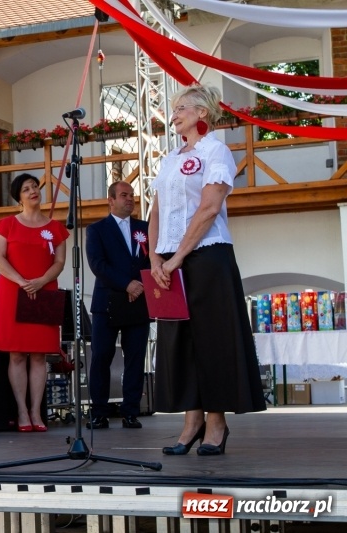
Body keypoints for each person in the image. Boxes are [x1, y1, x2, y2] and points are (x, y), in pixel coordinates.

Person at [148, 84, 266, 456]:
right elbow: (155, 211)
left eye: (182, 107)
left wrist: (179, 255)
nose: (175, 113)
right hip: (167, 261)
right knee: (179, 344)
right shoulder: (169, 158)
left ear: (202, 113)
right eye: (174, 108)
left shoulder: (216, 150)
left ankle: (216, 423)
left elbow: (210, 207)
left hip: (205, 257)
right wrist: (154, 259)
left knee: (212, 342)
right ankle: (191, 421)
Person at [0, 173, 68, 432]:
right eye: (26, 189)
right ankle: (22, 411)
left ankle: (36, 411)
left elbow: (59, 262)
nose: (33, 190)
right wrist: (23, 281)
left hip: (44, 291)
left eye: (35, 186)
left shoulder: (55, 228)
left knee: (39, 355)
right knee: (17, 354)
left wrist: (41, 280)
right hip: (13, 292)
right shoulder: (7, 225)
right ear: (19, 197)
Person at [85, 181, 152, 430]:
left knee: (135, 357)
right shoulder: (97, 229)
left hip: (139, 299)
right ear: (111, 200)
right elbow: (97, 264)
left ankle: (131, 411)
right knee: (102, 356)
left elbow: (153, 258)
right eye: (124, 195)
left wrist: (140, 285)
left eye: (132, 195)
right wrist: (127, 284)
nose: (130, 199)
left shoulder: (145, 228)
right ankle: (99, 412)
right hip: (108, 301)